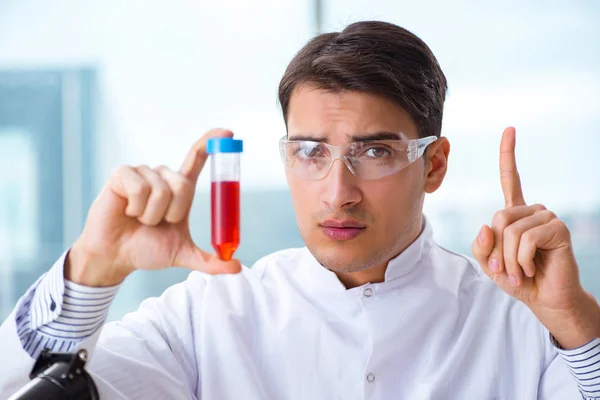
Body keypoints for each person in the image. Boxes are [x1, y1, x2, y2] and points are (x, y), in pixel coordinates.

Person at [1, 20, 599, 400]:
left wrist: (578, 324)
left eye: (374, 152)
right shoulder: (209, 318)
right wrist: (91, 271)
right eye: (310, 152)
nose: (337, 191)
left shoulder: (524, 327)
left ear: (435, 165)